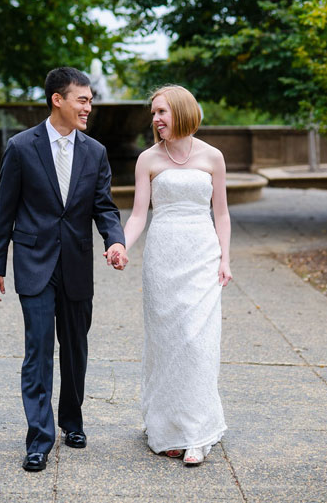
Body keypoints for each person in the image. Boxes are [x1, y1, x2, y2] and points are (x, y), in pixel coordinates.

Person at [0, 66, 128, 472]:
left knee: (75, 349)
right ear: (58, 100)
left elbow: (104, 207)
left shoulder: (96, 152)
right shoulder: (21, 147)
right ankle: (39, 439)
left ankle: (72, 419)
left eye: (90, 100)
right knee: (38, 351)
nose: (89, 107)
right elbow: (4, 210)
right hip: (33, 263)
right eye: (82, 100)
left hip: (78, 263)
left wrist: (114, 240)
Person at [116, 84, 231, 466]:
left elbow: (221, 214)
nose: (155, 119)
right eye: (153, 113)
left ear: (181, 112)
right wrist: (121, 246)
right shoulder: (148, 159)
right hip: (163, 259)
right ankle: (166, 426)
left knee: (197, 343)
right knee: (167, 343)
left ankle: (196, 434)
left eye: (161, 112)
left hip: (202, 256)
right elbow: (137, 215)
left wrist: (225, 259)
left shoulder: (213, 157)